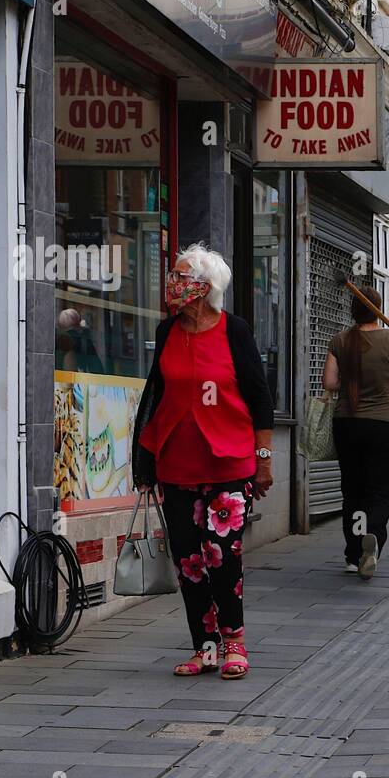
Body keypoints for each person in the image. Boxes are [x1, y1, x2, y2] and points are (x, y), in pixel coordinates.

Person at [132, 243, 274, 680]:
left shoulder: (236, 332)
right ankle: (205, 647)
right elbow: (155, 395)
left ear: (205, 287)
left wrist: (264, 459)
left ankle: (234, 642)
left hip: (228, 465)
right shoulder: (168, 331)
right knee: (189, 561)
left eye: (181, 276)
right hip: (176, 465)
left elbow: (259, 398)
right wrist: (145, 461)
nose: (172, 284)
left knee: (221, 554)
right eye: (173, 275)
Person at [321, 286, 389, 579]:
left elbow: (330, 382)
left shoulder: (339, 341)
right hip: (382, 423)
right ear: (379, 310)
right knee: (379, 489)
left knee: (353, 490)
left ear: (352, 311)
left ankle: (354, 552)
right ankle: (372, 536)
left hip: (346, 422)